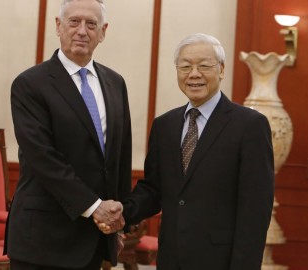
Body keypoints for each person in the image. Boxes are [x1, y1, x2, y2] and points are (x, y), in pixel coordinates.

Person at [101, 33, 275, 269]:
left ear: (221, 70)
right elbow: (153, 190)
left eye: (204, 66)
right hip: (171, 258)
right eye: (185, 67)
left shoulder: (249, 125)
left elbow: (255, 210)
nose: (194, 74)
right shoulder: (165, 125)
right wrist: (123, 212)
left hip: (220, 262)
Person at [4, 0, 132, 269]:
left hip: (93, 238)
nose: (82, 31)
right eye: (74, 22)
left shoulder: (115, 83)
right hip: (42, 237)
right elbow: (42, 158)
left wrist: (120, 223)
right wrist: (93, 206)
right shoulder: (30, 84)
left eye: (91, 24)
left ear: (103, 31)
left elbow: (119, 156)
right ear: (58, 26)